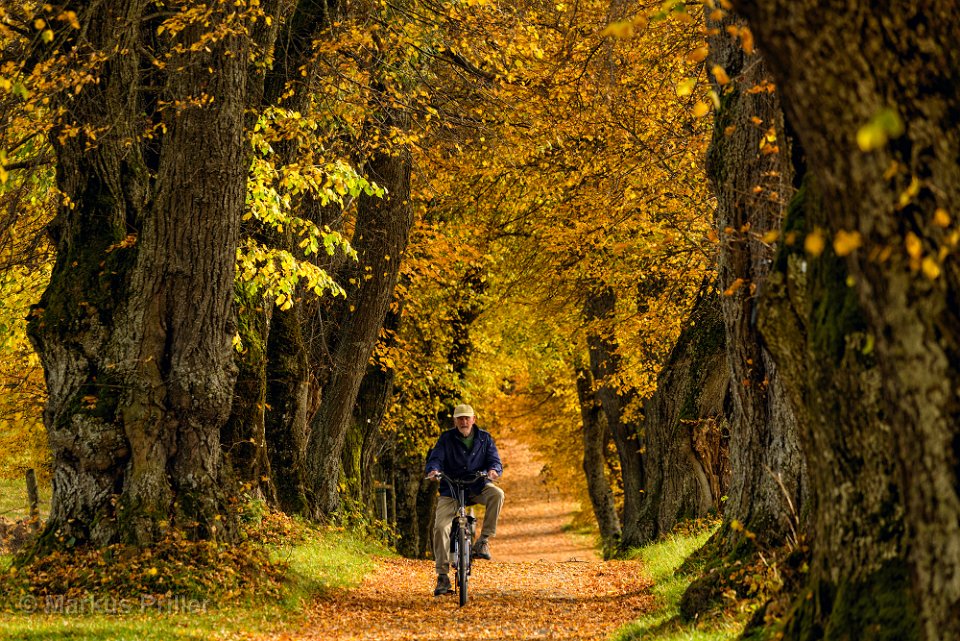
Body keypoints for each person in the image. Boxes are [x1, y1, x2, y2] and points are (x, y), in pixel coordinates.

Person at [425, 403, 504, 597]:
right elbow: (435, 458)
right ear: (455, 421)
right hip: (451, 489)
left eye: (467, 418)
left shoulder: (484, 438)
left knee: (497, 494)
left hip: (477, 485)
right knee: (441, 527)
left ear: (473, 419)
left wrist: (493, 471)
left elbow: (495, 460)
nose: (464, 421)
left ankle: (483, 540)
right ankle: (442, 576)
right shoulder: (446, 438)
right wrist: (434, 471)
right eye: (460, 418)